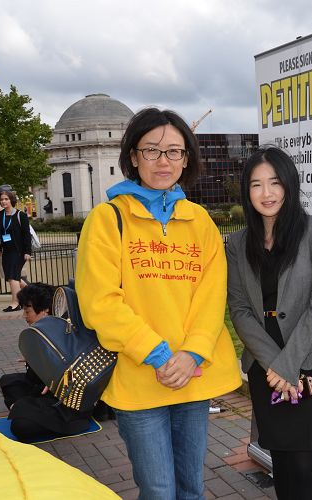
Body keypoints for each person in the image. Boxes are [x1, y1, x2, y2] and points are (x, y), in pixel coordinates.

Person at [75, 107, 241, 499]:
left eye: (174, 152)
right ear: (134, 157)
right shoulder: (107, 218)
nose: (163, 161)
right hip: (140, 377)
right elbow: (101, 302)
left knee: (192, 488)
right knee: (159, 490)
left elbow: (211, 294)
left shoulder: (200, 221)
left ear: (186, 159)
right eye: (152, 150)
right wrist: (159, 355)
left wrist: (193, 354)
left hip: (191, 376)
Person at [226, 145, 312, 500]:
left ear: (289, 184)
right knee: (281, 464)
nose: (267, 193)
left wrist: (289, 365)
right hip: (266, 369)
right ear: (246, 191)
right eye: (256, 184)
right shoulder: (238, 243)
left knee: (305, 469)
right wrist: (275, 366)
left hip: (311, 362)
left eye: (275, 182)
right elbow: (239, 309)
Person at [0, 283, 95, 442]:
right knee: (9, 382)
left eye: (27, 311)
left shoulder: (67, 331)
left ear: (44, 310)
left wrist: (58, 379)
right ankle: (27, 408)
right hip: (43, 390)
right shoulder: (43, 332)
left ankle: (28, 410)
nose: (24, 315)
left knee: (20, 426)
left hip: (65, 400)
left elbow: (80, 368)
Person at [0, 188, 31, 312]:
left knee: (13, 277)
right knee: (12, 278)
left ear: (11, 200)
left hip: (19, 251)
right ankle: (34, 294)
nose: (3, 202)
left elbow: (26, 235)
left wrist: (28, 252)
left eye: (6, 199)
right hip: (6, 251)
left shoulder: (21, 215)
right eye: (1, 199)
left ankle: (16, 303)